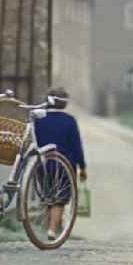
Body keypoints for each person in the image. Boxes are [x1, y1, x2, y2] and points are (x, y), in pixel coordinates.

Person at [33, 87, 87, 240]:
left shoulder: (39, 119)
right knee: (60, 198)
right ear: (65, 104)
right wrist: (82, 167)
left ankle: (46, 226)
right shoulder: (69, 121)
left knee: (47, 195)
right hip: (65, 165)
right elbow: (77, 146)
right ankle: (52, 229)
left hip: (42, 164)